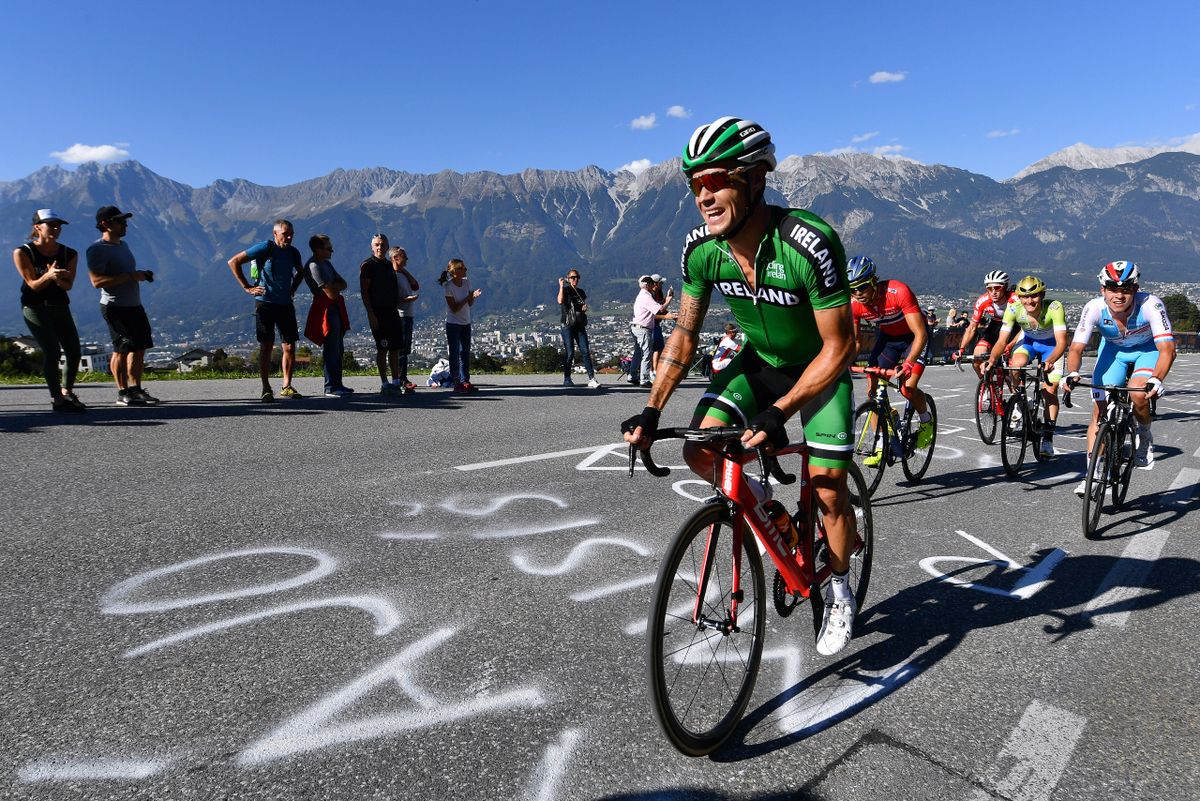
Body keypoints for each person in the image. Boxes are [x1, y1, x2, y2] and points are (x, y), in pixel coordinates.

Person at [622, 116, 859, 656]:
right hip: (761, 363)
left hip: (820, 368)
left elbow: (841, 347)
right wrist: (652, 410)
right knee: (699, 449)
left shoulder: (807, 242)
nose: (704, 196)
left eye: (716, 181)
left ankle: (841, 587)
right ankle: (768, 511)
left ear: (755, 180)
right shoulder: (700, 251)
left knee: (827, 490)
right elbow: (682, 338)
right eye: (695, 185)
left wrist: (781, 411)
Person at [1065, 261, 1174, 492]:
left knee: (1138, 393)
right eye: (1113, 289)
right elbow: (1075, 348)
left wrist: (1157, 379)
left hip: (1147, 351)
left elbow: (1167, 349)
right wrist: (1072, 372)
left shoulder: (1151, 305)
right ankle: (1092, 475)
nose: (1119, 295)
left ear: (1135, 289)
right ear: (1102, 289)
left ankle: (1144, 436)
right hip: (1113, 352)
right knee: (1099, 409)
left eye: (1126, 289)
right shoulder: (1093, 308)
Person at [846, 256, 936, 461]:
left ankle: (926, 420)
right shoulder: (854, 305)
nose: (857, 293)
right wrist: (844, 363)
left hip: (914, 337)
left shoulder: (898, 292)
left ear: (873, 281)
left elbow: (920, 334)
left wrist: (908, 363)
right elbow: (856, 343)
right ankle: (880, 443)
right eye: (852, 289)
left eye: (861, 287)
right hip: (888, 339)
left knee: (907, 388)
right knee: (872, 390)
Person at [984, 275, 1068, 459]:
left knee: (1050, 391)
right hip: (1030, 343)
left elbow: (1062, 342)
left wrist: (1051, 360)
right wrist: (991, 361)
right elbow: (1001, 341)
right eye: (1025, 297)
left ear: (1042, 295)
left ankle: (1048, 438)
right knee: (1016, 365)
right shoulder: (1013, 309)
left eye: (1035, 296)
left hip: (1052, 348)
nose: (1030, 301)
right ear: (1019, 298)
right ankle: (1020, 401)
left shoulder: (1054, 307)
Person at [13, 209, 85, 413]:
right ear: (37, 227)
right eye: (51, 225)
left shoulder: (68, 253)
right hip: (34, 307)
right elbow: (33, 285)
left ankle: (67, 392)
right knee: (52, 351)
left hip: (60, 305)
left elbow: (68, 286)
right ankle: (57, 399)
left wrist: (60, 278)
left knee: (73, 351)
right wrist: (49, 275)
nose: (56, 228)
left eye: (58, 225)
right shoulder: (23, 252)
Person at [86, 205, 159, 406]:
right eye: (120, 221)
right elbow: (96, 281)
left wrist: (140, 275)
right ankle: (122, 392)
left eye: (125, 221)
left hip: (134, 304)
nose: (125, 224)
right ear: (105, 224)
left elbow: (125, 274)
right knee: (122, 349)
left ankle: (136, 389)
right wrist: (129, 276)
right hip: (115, 307)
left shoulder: (123, 246)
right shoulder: (97, 249)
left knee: (139, 347)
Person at [227, 220, 306, 403]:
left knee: (289, 345)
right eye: (285, 233)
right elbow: (234, 261)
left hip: (285, 303)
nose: (289, 237)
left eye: (291, 234)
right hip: (265, 303)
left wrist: (293, 288)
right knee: (266, 345)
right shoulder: (266, 247)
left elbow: (301, 272)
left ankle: (286, 386)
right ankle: (266, 387)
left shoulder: (293, 252)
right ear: (275, 233)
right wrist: (247, 287)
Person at [303, 234, 352, 397]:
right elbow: (330, 293)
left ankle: (338, 383)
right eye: (328, 248)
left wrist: (334, 286)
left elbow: (343, 284)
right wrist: (334, 286)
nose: (332, 250)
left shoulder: (327, 264)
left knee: (338, 348)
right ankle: (330, 386)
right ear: (318, 249)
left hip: (336, 308)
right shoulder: (313, 266)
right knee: (331, 348)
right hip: (325, 309)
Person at [360, 234, 404, 395]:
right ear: (372, 247)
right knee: (383, 348)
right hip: (377, 312)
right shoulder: (367, 265)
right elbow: (364, 291)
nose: (380, 247)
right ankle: (385, 384)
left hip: (392, 311)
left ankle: (396, 382)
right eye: (377, 245)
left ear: (387, 247)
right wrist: (370, 314)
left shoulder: (388, 265)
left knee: (395, 348)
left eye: (383, 245)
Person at [957, 271, 1016, 379]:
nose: (993, 292)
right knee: (977, 358)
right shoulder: (983, 301)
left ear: (1005, 287)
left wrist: (1010, 345)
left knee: (1014, 364)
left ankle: (1015, 388)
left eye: (997, 288)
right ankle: (986, 385)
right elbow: (971, 328)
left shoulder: (1015, 299)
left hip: (1014, 326)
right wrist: (961, 349)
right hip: (995, 326)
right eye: (989, 288)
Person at [440, 258, 481, 392]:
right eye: (462, 268)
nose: (465, 270)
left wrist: (472, 298)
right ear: (455, 271)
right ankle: (456, 381)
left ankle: (465, 380)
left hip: (465, 322)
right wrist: (468, 298)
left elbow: (469, 304)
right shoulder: (448, 287)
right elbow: (454, 308)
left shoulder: (467, 282)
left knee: (464, 352)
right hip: (453, 323)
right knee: (455, 352)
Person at [557, 268, 600, 388]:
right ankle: (567, 378)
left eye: (576, 277)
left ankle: (592, 378)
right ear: (568, 278)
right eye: (572, 277)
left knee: (585, 351)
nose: (575, 279)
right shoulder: (566, 290)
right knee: (570, 352)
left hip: (579, 324)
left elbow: (581, 308)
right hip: (567, 324)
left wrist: (584, 309)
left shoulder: (581, 292)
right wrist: (561, 286)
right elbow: (560, 301)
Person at [628, 275, 673, 387]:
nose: (654, 284)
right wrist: (668, 300)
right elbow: (660, 309)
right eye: (651, 283)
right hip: (643, 328)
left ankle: (632, 375)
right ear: (647, 285)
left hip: (637, 326)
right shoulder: (646, 296)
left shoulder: (644, 295)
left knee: (638, 352)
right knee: (647, 353)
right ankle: (644, 379)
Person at [391, 246, 420, 390]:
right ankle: (401, 379)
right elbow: (392, 299)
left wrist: (403, 270)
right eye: (404, 257)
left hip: (408, 314)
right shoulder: (391, 276)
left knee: (405, 349)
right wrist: (407, 300)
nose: (407, 259)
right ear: (395, 258)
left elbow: (415, 285)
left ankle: (402, 378)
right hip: (400, 315)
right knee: (401, 350)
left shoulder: (401, 274)